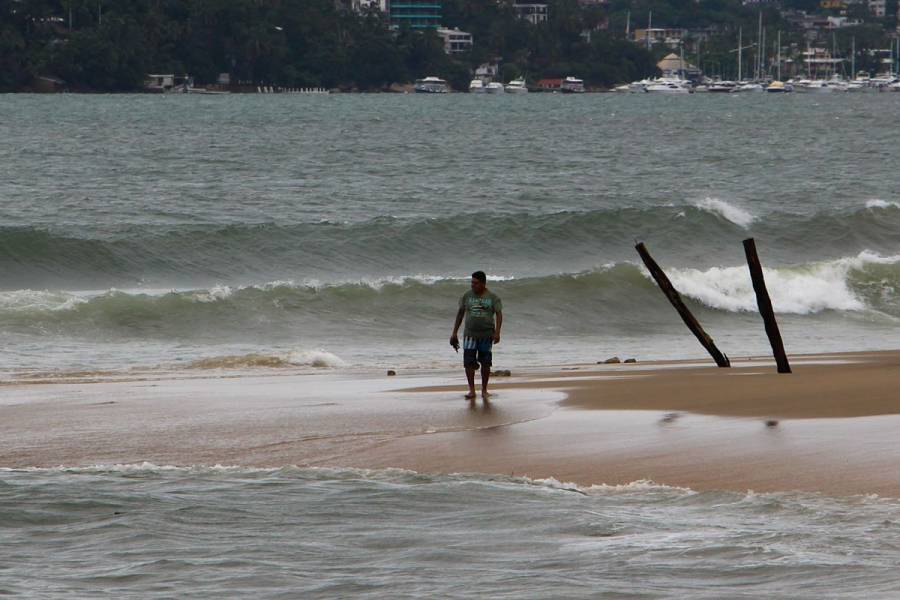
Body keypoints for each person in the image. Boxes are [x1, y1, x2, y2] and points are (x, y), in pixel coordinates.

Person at [450, 271, 503, 401]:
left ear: (483, 283)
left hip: (486, 335)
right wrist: (454, 332)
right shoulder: (467, 296)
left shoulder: (492, 297)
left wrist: (497, 332)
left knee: (486, 363)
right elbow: (460, 313)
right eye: (472, 282)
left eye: (475, 283)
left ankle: (484, 390)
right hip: (469, 335)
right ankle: (472, 390)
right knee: (468, 362)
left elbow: (499, 314)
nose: (472, 285)